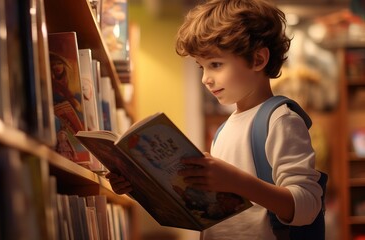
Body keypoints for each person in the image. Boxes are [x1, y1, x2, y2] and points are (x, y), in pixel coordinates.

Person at [106, 0, 323, 239]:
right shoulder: (224, 129)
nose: (205, 79)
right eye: (201, 67)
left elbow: (308, 206)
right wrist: (138, 187)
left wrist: (235, 181)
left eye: (216, 65)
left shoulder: (280, 120)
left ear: (258, 60)